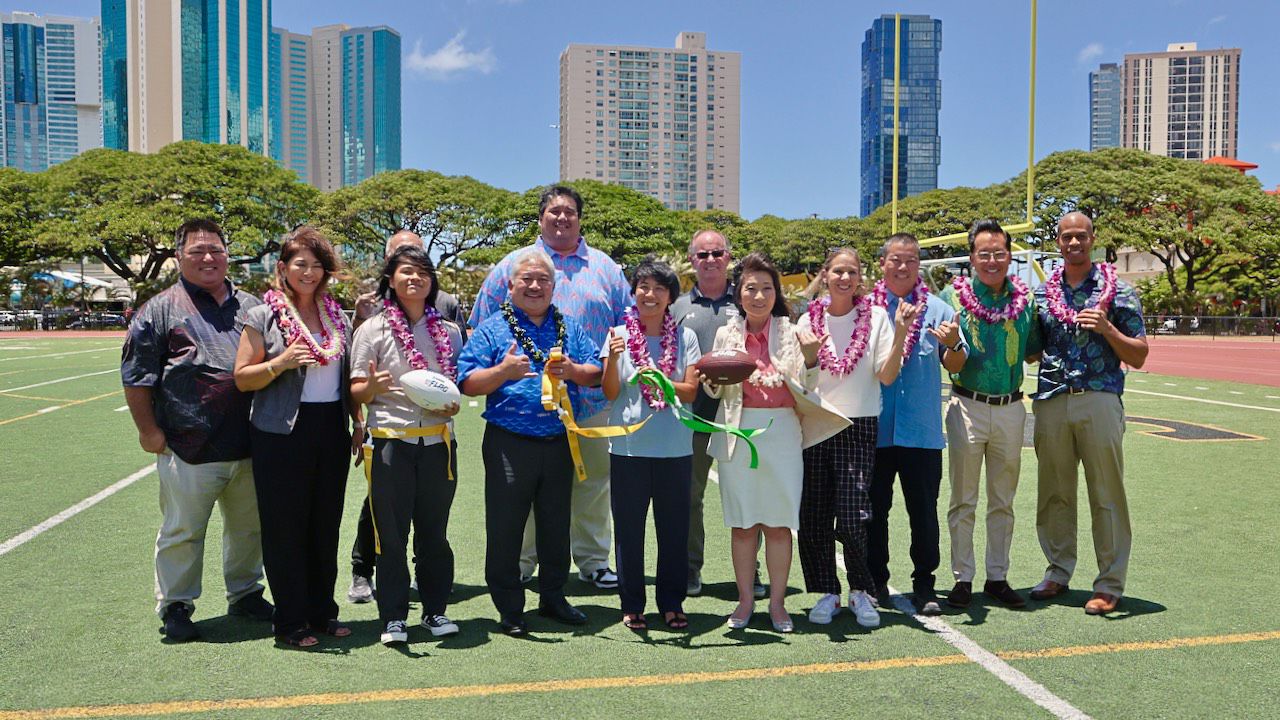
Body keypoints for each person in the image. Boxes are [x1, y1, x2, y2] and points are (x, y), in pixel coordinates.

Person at [469, 185, 630, 590]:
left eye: (569, 212)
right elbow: (479, 324)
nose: (562, 218)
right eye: (554, 212)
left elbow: (626, 326)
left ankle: (593, 561)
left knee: (592, 484)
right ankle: (522, 563)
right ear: (541, 219)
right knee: (523, 491)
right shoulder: (512, 264)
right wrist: (500, 373)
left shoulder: (606, 268)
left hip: (590, 399)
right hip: (520, 410)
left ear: (579, 218)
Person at [121, 218, 273, 642]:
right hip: (188, 445)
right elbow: (136, 377)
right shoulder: (160, 309)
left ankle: (245, 592)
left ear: (228, 254)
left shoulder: (253, 306)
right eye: (197, 251)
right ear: (178, 257)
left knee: (249, 528)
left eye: (216, 250)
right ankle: (176, 604)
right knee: (183, 531)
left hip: (250, 443)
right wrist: (147, 431)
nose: (208, 258)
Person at [458, 248, 604, 636]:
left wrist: (573, 370)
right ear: (511, 286)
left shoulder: (569, 326)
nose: (535, 286)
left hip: (558, 439)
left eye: (544, 280)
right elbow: (467, 381)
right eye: (527, 279)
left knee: (556, 524)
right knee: (506, 526)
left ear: (554, 287)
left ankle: (554, 597)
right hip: (510, 441)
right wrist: (503, 371)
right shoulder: (493, 328)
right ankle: (509, 607)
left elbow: (595, 372)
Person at [702, 252, 849, 633]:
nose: (758, 296)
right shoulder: (725, 334)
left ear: (776, 293)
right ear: (739, 293)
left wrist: (813, 359)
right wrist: (712, 381)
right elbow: (715, 389)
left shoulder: (793, 330)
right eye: (750, 288)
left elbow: (809, 386)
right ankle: (746, 601)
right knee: (743, 524)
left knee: (779, 525)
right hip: (737, 432)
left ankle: (779, 605)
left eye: (767, 288)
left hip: (783, 431)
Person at [232, 226, 362, 648]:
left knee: (325, 525)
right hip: (280, 431)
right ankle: (289, 622)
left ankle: (322, 612)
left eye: (317, 265)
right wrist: (281, 362)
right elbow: (242, 379)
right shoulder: (262, 315)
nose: (308, 272)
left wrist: (357, 423)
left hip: (330, 429)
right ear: (283, 267)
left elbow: (344, 378)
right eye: (300, 264)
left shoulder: (336, 316)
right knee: (285, 527)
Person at [1029, 211, 1148, 615]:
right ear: (1058, 242)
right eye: (1067, 237)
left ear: (1093, 239)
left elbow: (1141, 355)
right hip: (1052, 398)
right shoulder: (1043, 294)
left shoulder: (1119, 292)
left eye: (1082, 236)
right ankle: (1058, 571)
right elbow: (1031, 349)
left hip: (1099, 396)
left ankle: (1109, 583)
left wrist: (1108, 330)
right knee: (1054, 493)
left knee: (1106, 493)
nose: (1074, 243)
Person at [349, 244, 466, 645]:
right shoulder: (372, 330)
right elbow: (356, 391)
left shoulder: (449, 332)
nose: (414, 279)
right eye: (405, 272)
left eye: (422, 272)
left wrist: (455, 401)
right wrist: (371, 387)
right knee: (392, 536)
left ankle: (435, 611)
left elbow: (458, 386)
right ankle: (394, 618)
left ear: (432, 281)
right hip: (390, 444)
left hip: (438, 444)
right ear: (390, 280)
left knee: (434, 532)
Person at [795, 248, 910, 629]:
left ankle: (861, 590)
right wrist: (811, 357)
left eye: (852, 272)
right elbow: (800, 379)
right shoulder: (806, 319)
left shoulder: (877, 317)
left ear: (861, 277)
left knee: (852, 514)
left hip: (857, 424)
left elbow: (887, 375)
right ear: (825, 274)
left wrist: (902, 333)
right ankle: (826, 590)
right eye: (838, 271)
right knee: (813, 515)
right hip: (815, 423)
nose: (845, 278)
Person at [941, 219, 1041, 610]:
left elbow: (1034, 349)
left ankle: (997, 576)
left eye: (999, 253)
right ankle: (962, 578)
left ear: (1009, 255)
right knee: (963, 498)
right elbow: (949, 358)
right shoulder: (952, 296)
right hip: (966, 404)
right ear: (971, 257)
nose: (992, 260)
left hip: (1011, 407)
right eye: (984, 253)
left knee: (1003, 498)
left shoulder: (1027, 300)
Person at [867, 233, 966, 616]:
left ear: (918, 265)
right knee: (873, 511)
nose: (903, 266)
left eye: (910, 260)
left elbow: (954, 364)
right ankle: (876, 581)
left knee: (923, 511)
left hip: (921, 433)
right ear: (883, 264)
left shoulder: (940, 310)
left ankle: (925, 584)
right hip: (874, 430)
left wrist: (955, 344)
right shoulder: (868, 312)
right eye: (896, 259)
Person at [601, 259, 701, 631]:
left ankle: (672, 602)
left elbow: (691, 390)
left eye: (659, 288)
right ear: (634, 293)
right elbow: (611, 392)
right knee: (629, 530)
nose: (650, 294)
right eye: (643, 287)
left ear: (670, 296)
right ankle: (632, 603)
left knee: (674, 529)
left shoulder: (685, 337)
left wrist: (659, 379)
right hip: (628, 450)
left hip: (675, 448)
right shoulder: (618, 334)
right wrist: (612, 358)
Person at [670, 229, 764, 598]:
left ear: (729, 258)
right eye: (703, 254)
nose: (710, 259)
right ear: (692, 260)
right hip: (692, 416)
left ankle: (750, 570)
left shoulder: (745, 301)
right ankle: (691, 569)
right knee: (689, 496)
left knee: (744, 494)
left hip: (739, 414)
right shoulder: (676, 307)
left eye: (717, 253)